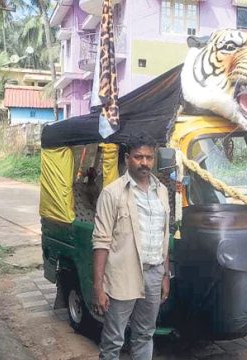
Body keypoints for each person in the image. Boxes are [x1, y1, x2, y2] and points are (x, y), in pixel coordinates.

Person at [92, 134, 170, 360]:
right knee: (114, 338)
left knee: (145, 333)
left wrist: (165, 274)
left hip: (154, 273)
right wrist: (99, 287)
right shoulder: (112, 193)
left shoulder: (162, 191)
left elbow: (163, 235)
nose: (144, 162)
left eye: (149, 157)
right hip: (122, 275)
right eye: (138, 157)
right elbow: (101, 241)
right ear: (127, 159)